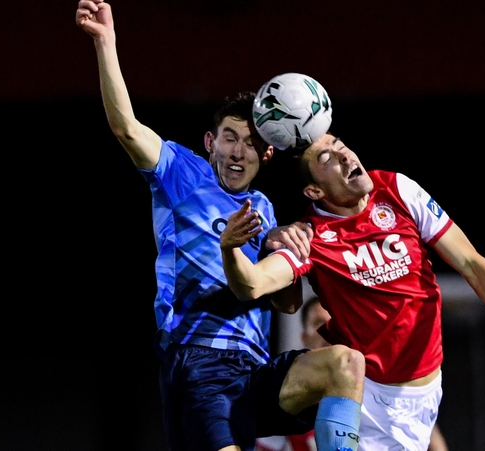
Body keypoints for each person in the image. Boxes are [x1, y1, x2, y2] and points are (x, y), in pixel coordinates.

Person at [75, 2, 366, 451]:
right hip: (199, 363)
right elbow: (127, 128)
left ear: (267, 154)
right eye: (230, 137)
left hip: (254, 370)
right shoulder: (183, 174)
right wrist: (105, 43)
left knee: (344, 365)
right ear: (210, 143)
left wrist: (290, 253)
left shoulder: (266, 209)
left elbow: (288, 306)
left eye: (250, 144)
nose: (237, 151)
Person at [220, 132, 485, 450]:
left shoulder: (397, 190)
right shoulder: (308, 237)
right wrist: (237, 246)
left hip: (426, 394)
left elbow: (471, 264)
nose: (343, 155)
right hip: (368, 397)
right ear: (314, 191)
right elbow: (254, 283)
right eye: (326, 158)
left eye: (340, 144)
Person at [256, 298, 450, 451]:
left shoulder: (381, 385)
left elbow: (430, 440)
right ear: (304, 337)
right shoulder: (288, 390)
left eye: (335, 322)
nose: (327, 330)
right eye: (318, 323)